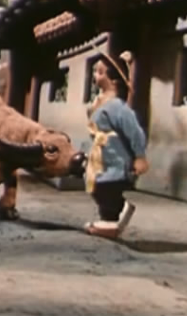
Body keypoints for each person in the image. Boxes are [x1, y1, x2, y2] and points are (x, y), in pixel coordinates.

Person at [83, 51, 149, 239]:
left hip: (114, 155)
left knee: (107, 186)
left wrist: (139, 156)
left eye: (100, 72)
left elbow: (134, 131)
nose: (95, 75)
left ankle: (117, 212)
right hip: (101, 153)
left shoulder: (118, 107)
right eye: (95, 71)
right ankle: (108, 220)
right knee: (96, 185)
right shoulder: (99, 101)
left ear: (113, 79)